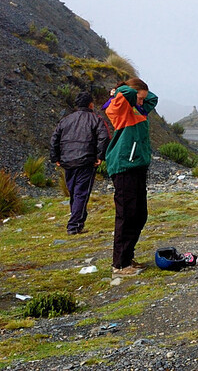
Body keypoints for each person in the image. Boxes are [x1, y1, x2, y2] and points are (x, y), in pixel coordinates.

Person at [105, 78, 158, 277]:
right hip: (124, 166)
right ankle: (119, 265)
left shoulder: (139, 110)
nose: (143, 102)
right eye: (140, 98)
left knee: (139, 214)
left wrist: (141, 95)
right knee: (126, 215)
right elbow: (127, 93)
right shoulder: (118, 108)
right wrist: (120, 90)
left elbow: (153, 98)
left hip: (137, 166)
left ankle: (128, 257)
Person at [49, 91, 110, 235]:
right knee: (81, 193)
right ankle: (74, 226)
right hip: (86, 161)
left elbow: (54, 139)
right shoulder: (96, 119)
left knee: (74, 192)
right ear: (91, 104)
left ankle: (76, 223)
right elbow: (104, 137)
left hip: (67, 161)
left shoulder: (65, 120)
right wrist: (100, 156)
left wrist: (55, 157)